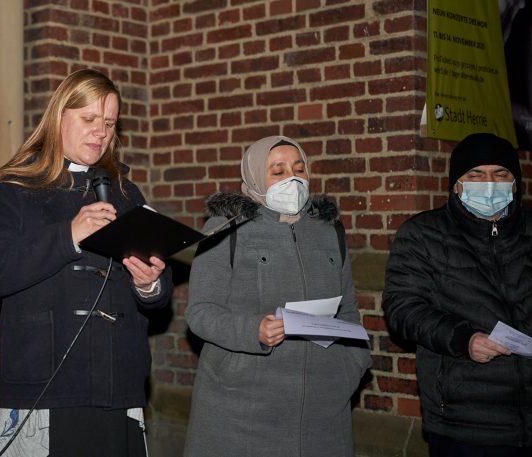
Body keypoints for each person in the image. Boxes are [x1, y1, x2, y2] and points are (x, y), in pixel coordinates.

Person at [0, 68, 172, 457]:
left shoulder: (127, 193)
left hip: (117, 382)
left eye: (109, 123)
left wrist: (149, 284)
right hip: (45, 381)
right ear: (59, 115)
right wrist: (68, 236)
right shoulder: (14, 189)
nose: (101, 132)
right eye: (90, 119)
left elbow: (159, 290)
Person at [183, 135, 371, 457]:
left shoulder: (329, 231)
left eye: (299, 169)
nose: (292, 179)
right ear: (256, 176)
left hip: (321, 410)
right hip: (243, 410)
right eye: (278, 171)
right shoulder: (224, 230)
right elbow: (200, 312)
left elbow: (348, 310)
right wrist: (252, 330)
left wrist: (352, 366)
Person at [383, 132, 532, 456]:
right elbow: (404, 309)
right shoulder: (422, 235)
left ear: (516, 183)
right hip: (466, 421)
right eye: (476, 175)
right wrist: (465, 340)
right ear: (456, 184)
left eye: (500, 174)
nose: (489, 184)